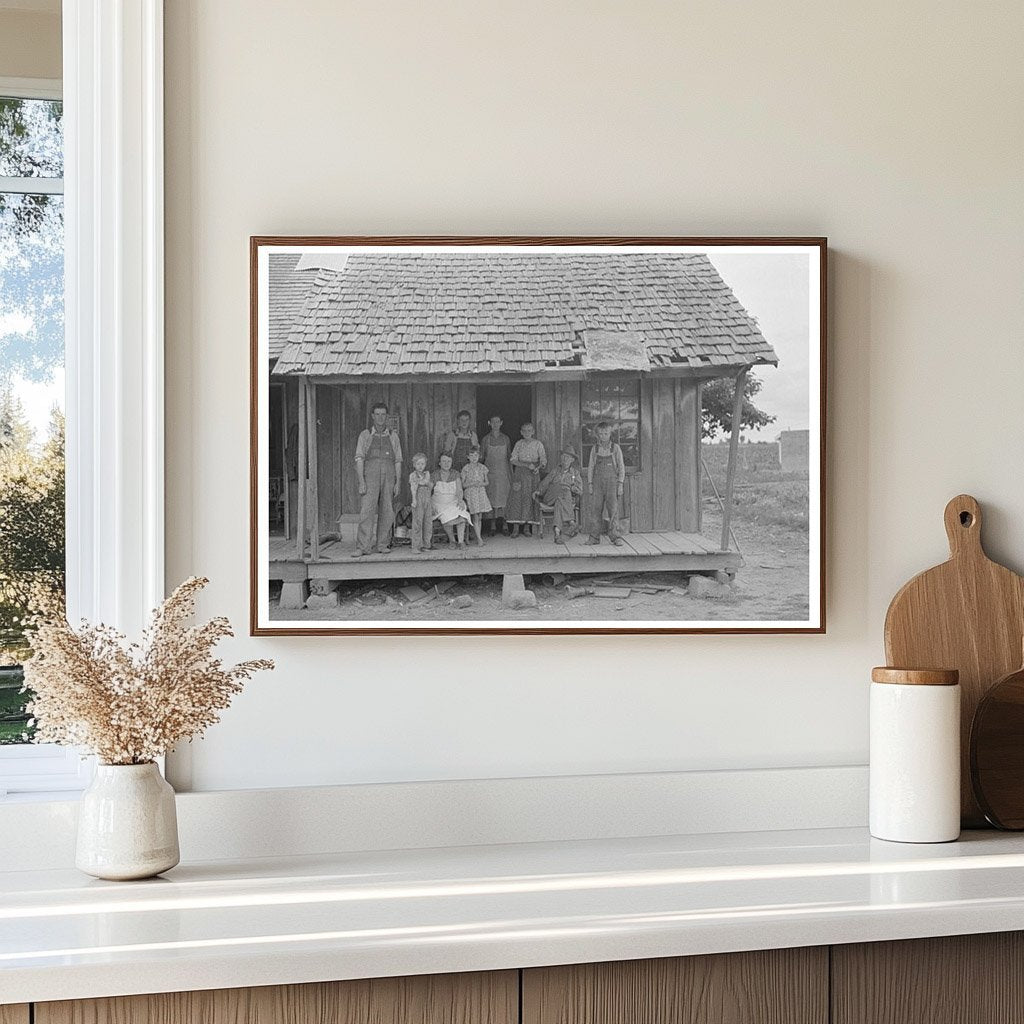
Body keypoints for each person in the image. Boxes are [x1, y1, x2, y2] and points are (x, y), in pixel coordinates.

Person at [353, 402, 402, 557]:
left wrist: (398, 482)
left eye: (383, 414)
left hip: (389, 477)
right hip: (370, 478)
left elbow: (398, 461)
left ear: (386, 417)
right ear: (373, 416)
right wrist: (361, 481)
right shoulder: (365, 435)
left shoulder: (393, 436)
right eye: (377, 414)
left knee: (387, 511)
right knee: (366, 511)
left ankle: (382, 544)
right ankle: (363, 547)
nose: (380, 418)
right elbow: (359, 459)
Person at [586, 421, 625, 546]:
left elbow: (621, 467)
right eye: (601, 434)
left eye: (606, 433)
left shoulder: (615, 448)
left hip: (612, 483)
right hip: (597, 484)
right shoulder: (595, 449)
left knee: (613, 510)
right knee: (595, 510)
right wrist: (590, 484)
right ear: (598, 435)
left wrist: (620, 484)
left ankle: (615, 537)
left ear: (610, 434)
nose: (603, 436)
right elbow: (591, 467)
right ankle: (594, 537)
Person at [534, 444, 583, 544]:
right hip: (550, 497)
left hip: (562, 500)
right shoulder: (555, 471)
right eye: (563, 456)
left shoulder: (575, 473)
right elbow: (545, 483)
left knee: (559, 503)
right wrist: (538, 491)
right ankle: (571, 521)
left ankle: (557, 533)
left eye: (568, 457)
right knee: (563, 488)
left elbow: (580, 491)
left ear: (572, 460)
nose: (565, 459)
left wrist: (574, 489)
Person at [506, 422, 546, 537]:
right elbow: (513, 460)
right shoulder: (519, 444)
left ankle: (527, 527)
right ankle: (515, 528)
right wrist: (525, 465)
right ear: (521, 432)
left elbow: (543, 460)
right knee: (517, 498)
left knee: (529, 498)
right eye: (524, 431)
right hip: (520, 473)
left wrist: (538, 467)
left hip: (533, 475)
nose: (527, 433)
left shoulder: (538, 444)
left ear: (533, 431)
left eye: (529, 430)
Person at [432, 453, 472, 548]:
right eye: (444, 461)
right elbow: (429, 489)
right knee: (446, 516)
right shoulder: (434, 475)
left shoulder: (455, 474)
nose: (446, 463)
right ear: (439, 463)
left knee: (461, 512)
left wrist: (460, 500)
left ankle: (461, 541)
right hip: (439, 503)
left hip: (453, 501)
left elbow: (459, 489)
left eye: (449, 461)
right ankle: (452, 541)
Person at [482, 415, 512, 535]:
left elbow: (509, 457)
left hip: (503, 473)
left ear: (501, 423)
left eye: (497, 422)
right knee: (492, 498)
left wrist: (511, 475)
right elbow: (482, 457)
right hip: (490, 474)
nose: (495, 424)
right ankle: (493, 526)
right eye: (493, 422)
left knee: (504, 498)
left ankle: (505, 525)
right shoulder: (486, 439)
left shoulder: (506, 439)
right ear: (489, 423)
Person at [460, 446, 490, 547]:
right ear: (468, 457)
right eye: (471, 456)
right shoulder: (466, 469)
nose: (474, 458)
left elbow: (487, 482)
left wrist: (480, 483)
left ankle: (477, 536)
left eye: (476, 455)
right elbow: (463, 485)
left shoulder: (483, 468)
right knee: (475, 516)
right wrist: (471, 483)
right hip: (471, 494)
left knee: (479, 516)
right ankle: (479, 539)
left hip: (480, 492)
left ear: (479, 456)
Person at [408, 453, 434, 553]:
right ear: (414, 465)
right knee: (417, 522)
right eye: (418, 464)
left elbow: (430, 486)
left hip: (427, 499)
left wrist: (426, 482)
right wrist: (414, 500)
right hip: (418, 499)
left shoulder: (427, 474)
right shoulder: (413, 475)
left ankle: (426, 544)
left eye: (422, 464)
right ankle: (416, 546)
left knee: (427, 522)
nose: (420, 466)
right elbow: (413, 488)